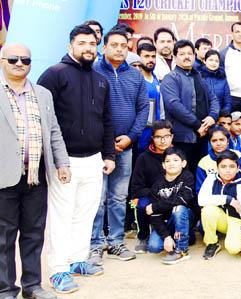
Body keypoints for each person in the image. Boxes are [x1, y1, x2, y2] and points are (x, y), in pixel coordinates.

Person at [38, 25, 115, 294]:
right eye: (82, 43)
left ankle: (76, 261)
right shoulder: (54, 75)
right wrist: (56, 160)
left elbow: (107, 120)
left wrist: (109, 155)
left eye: (92, 44)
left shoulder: (100, 80)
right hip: (64, 160)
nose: (88, 48)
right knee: (61, 216)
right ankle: (58, 270)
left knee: (85, 214)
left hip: (94, 159)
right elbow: (43, 120)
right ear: (71, 46)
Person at [0, 42, 68, 299]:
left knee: (34, 233)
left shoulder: (42, 94)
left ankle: (32, 286)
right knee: (4, 237)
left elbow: (53, 132)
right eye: (13, 59)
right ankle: (5, 289)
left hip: (36, 175)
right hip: (4, 175)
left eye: (25, 60)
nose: (19, 64)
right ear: (2, 61)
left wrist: (62, 163)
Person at [88, 29, 149, 265]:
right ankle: (95, 244)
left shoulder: (135, 76)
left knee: (118, 197)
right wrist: (104, 140)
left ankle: (115, 242)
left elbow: (144, 109)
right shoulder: (92, 72)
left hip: (125, 147)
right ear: (104, 48)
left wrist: (131, 137)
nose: (119, 49)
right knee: (97, 197)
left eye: (124, 45)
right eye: (114, 45)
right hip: (97, 148)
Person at [161, 40, 220, 174]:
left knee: (200, 175)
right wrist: (197, 125)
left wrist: (213, 116)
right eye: (182, 54)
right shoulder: (171, 78)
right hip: (183, 138)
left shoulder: (198, 76)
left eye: (190, 53)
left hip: (203, 136)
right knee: (183, 175)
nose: (187, 56)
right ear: (175, 57)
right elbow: (174, 105)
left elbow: (213, 98)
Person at [197, 150, 241, 259]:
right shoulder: (212, 178)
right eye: (223, 167)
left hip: (236, 221)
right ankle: (212, 243)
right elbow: (201, 200)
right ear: (217, 168)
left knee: (234, 249)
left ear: (238, 168)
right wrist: (228, 199)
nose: (227, 171)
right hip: (222, 219)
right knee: (208, 210)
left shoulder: (240, 185)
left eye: (232, 166)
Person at [144, 147, 195, 265]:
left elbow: (182, 199)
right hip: (167, 222)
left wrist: (156, 206)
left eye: (175, 160)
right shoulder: (157, 184)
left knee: (179, 208)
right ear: (163, 165)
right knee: (154, 247)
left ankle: (182, 250)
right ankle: (180, 237)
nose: (171, 163)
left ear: (183, 163)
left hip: (184, 216)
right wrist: (166, 236)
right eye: (168, 161)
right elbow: (155, 215)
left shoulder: (187, 177)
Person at [130, 120, 173, 254]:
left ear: (172, 137)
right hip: (149, 196)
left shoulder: (176, 155)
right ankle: (143, 236)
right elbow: (136, 188)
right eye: (158, 137)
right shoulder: (143, 158)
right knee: (141, 205)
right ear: (152, 138)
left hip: (172, 195)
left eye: (166, 136)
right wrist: (156, 193)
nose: (162, 141)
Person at [197, 125, 241, 192]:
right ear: (210, 143)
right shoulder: (204, 162)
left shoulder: (238, 156)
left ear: (227, 141)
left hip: (236, 197)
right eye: (214, 141)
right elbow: (200, 190)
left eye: (222, 140)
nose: (218, 143)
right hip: (212, 200)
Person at [135, 43, 163, 156]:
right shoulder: (136, 79)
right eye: (146, 56)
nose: (150, 60)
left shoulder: (156, 78)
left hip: (155, 130)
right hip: (140, 131)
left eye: (153, 56)